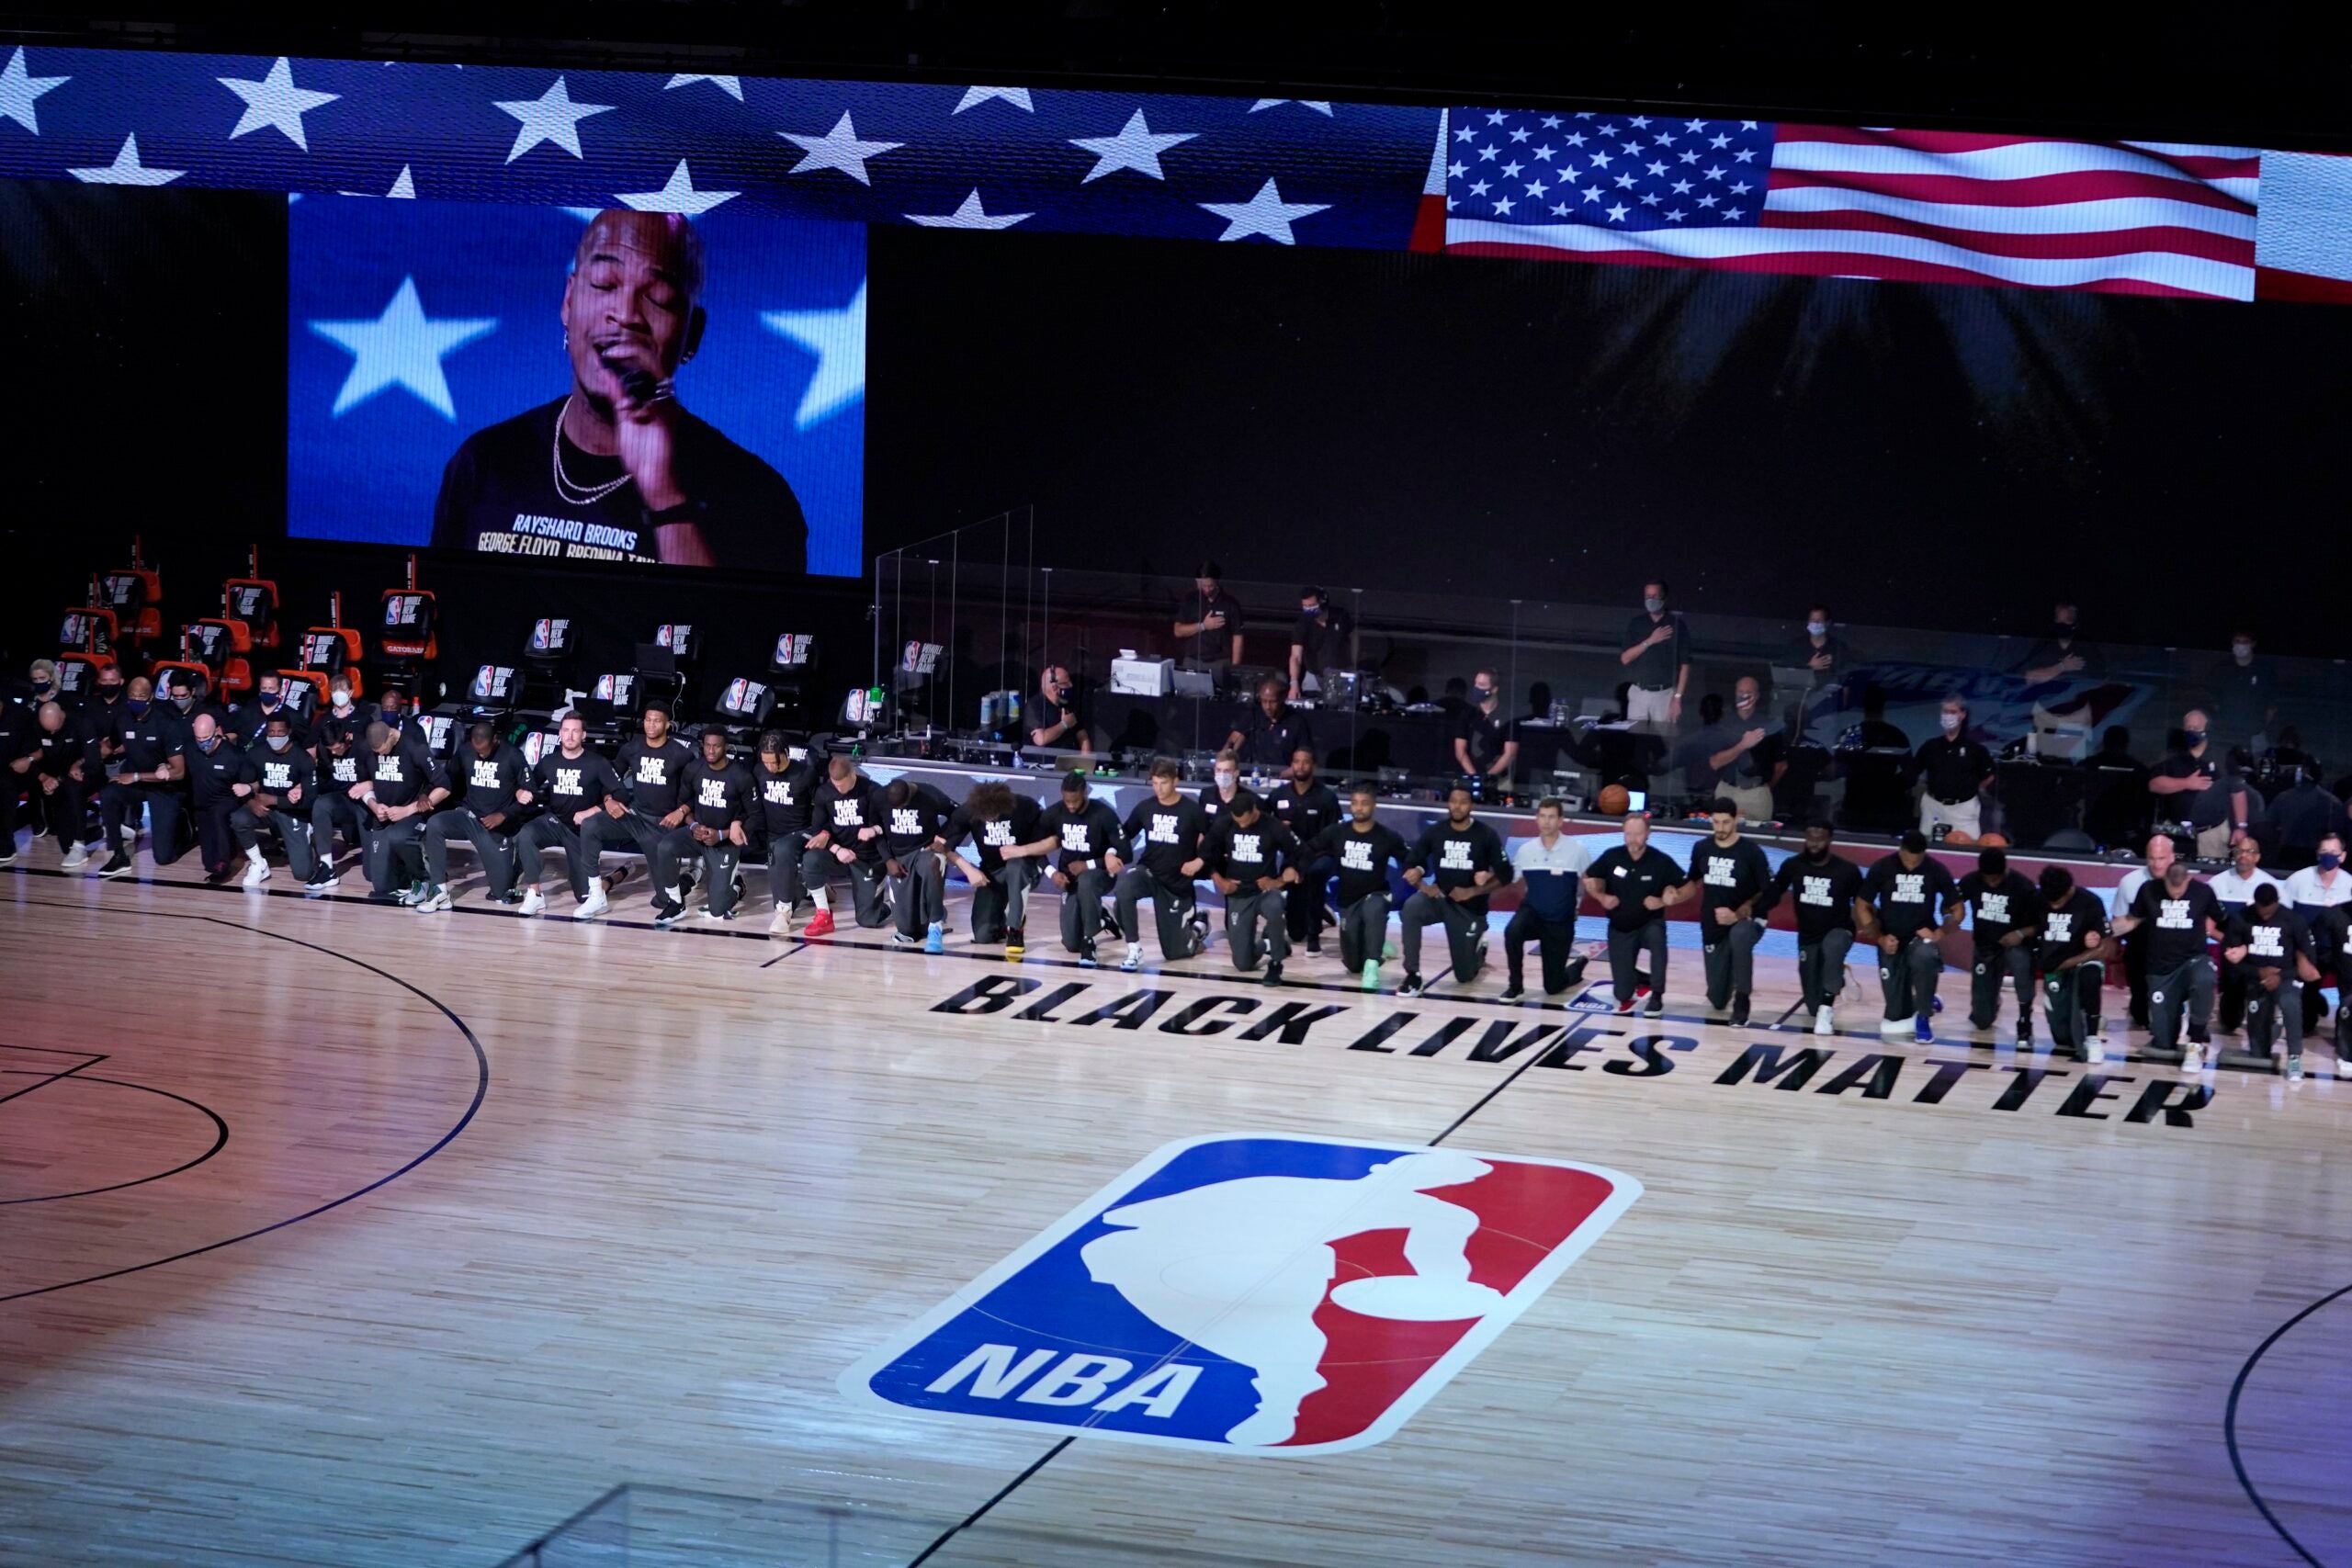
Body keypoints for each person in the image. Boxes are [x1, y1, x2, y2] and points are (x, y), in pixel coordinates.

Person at [431, 209, 807, 570]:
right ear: (569, 301)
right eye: (605, 284)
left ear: (692, 334)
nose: (626, 313)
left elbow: (729, 634)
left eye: (658, 297)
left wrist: (663, 493)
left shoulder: (758, 499)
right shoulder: (483, 464)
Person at [578, 701, 695, 918]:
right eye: (648, 720)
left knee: (664, 901)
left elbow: (697, 789)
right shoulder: (631, 748)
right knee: (591, 825)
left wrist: (680, 811)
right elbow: (609, 778)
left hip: (662, 824)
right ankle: (596, 895)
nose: (651, 725)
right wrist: (609, 800)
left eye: (657, 721)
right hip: (634, 816)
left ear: (668, 725)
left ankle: (691, 876)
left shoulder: (680, 754)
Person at [2111, 855, 2225, 1070]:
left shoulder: (2203, 892)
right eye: (2171, 891)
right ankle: (2174, 1014)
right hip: (2161, 968)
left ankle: (2195, 1042)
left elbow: (2222, 921)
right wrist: (2104, 933)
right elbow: (2130, 921)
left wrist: (2236, 943)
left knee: (2205, 978)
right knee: (2163, 1041)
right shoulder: (2148, 890)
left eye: (2180, 891)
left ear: (2188, 880)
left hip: (2193, 960)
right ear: (2164, 879)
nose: (2175, 896)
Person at [1396, 786, 1511, 997]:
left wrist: (1475, 890)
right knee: (1411, 908)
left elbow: (1507, 874)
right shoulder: (1436, 831)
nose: (1457, 806)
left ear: (1471, 806)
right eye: (1453, 801)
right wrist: (1423, 885)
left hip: (1469, 908)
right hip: (1440, 899)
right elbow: (1412, 861)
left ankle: (1478, 950)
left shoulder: (1485, 834)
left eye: (1463, 802)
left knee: (1464, 977)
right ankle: (1412, 974)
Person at [1766, 818, 1868, 1035]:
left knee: (1832, 946)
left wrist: (1870, 924)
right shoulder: (1793, 865)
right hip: (1808, 936)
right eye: (1810, 838)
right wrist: (1753, 909)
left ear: (1829, 840)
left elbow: (1863, 903)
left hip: (1840, 931)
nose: (1813, 844)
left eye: (1819, 839)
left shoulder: (1847, 870)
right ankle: (1840, 974)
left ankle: (1826, 1010)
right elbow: (1772, 894)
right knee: (1811, 1006)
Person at [1301, 785, 1409, 989]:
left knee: (1375, 909)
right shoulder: (1337, 832)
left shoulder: (1386, 836)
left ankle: (1373, 963)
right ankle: (1377, 943)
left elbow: (1410, 858)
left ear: (1374, 806)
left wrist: (1416, 870)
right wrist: (1295, 868)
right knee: (1352, 966)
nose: (1359, 808)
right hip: (1348, 900)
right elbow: (1310, 848)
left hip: (1376, 893)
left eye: (1364, 803)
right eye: (1355, 803)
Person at [1582, 811, 1689, 1016]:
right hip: (1620, 927)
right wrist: (1601, 897)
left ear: (1648, 833)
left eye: (1638, 834)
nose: (1633, 839)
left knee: (1658, 940)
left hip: (1649, 923)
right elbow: (1589, 877)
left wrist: (1666, 899)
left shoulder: (1660, 861)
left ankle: (1657, 994)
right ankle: (1636, 976)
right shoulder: (1612, 856)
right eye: (1628, 834)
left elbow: (1688, 887)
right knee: (1622, 994)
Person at [512, 715, 620, 916]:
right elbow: (530, 786)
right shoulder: (549, 761)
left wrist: (591, 812)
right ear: (560, 733)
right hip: (556, 821)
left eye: (575, 731)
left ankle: (614, 877)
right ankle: (534, 895)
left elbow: (621, 794)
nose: (570, 736)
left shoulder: (597, 763)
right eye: (566, 731)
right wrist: (520, 791)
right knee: (526, 834)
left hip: (582, 830)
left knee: (583, 896)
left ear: (584, 735)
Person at [416, 721, 528, 912]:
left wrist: (503, 815)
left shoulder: (513, 756)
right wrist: (425, 792)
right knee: (436, 823)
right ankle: (440, 891)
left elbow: (529, 796)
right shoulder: (465, 751)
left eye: (484, 750)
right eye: (477, 750)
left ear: (495, 740)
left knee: (501, 893)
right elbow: (447, 778)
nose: (481, 754)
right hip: (468, 816)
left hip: (495, 826)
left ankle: (514, 860)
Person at [1111, 757, 1212, 969]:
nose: (1159, 788)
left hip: (1176, 883)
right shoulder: (1145, 808)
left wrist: (1198, 860)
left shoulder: (1192, 810)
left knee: (1176, 954)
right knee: (1124, 889)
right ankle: (1134, 948)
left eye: (1163, 783)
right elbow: (1124, 833)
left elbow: (1214, 840)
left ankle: (1198, 927)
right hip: (1149, 872)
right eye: (1155, 783)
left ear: (1176, 781)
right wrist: (1111, 852)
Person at [1860, 830, 1960, 1042]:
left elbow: (1958, 909)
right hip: (1891, 939)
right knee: (1893, 1019)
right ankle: (1925, 999)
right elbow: (1862, 905)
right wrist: (1879, 938)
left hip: (1920, 938)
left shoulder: (1936, 869)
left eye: (1917, 861)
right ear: (1900, 850)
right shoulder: (1882, 867)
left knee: (1925, 955)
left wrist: (1941, 932)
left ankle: (1923, 1016)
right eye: (1908, 860)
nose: (1912, 865)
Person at [945, 781, 1055, 957]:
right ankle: (1007, 920)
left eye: (994, 815)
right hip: (993, 872)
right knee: (983, 936)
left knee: (1015, 864)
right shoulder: (968, 811)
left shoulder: (1026, 807)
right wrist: (968, 869)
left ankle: (1015, 929)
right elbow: (943, 845)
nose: (990, 818)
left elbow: (1051, 841)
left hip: (1025, 868)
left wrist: (1022, 850)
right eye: (985, 816)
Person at [1203, 789, 1302, 983]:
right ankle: (1269, 943)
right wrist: (1219, 880)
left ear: (1254, 810)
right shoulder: (1224, 823)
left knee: (1275, 908)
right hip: (1238, 892)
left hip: (1266, 890)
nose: (1241, 825)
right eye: (1237, 821)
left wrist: (1279, 881)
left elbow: (1300, 852)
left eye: (1245, 821)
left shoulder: (1273, 826)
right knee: (1242, 964)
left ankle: (1276, 964)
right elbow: (1204, 852)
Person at [92, 675, 187, 877]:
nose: (136, 700)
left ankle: (184, 828)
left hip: (164, 787)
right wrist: (90, 758)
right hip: (136, 783)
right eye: (132, 696)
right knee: (109, 793)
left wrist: (136, 776)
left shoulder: (166, 723)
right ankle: (117, 854)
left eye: (141, 696)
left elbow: (178, 772)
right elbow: (111, 744)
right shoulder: (122, 717)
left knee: (163, 858)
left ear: (151, 697)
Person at [2222, 884, 2321, 1078]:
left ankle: (2294, 1058)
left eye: (2269, 912)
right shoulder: (2241, 918)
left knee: (2290, 1003)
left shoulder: (2294, 920)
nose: (2265, 916)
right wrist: (2258, 972)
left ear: (2277, 903)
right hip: (2255, 979)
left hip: (2286, 977)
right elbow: (2230, 962)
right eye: (2261, 911)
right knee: (2259, 1052)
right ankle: (2271, 1030)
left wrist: (2280, 976)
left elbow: (2309, 962)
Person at [1691, 798, 1773, 1024]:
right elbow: (1692, 881)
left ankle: (1742, 999)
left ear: (1736, 820)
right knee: (1717, 1000)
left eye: (1726, 822)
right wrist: (1671, 893)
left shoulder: (1751, 852)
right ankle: (1725, 988)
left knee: (1739, 935)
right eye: (1716, 822)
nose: (1720, 828)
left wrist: (1739, 913)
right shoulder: (1702, 848)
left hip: (1747, 920)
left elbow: (1768, 892)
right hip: (1714, 923)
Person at [662, 728, 753, 924]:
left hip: (724, 841)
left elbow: (755, 815)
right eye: (707, 746)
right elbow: (685, 805)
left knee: (717, 911)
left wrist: (724, 833)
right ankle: (675, 901)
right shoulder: (693, 769)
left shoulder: (740, 776)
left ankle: (737, 886)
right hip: (697, 833)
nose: (711, 751)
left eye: (716, 746)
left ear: (725, 747)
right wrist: (693, 825)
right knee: (665, 847)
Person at [1503, 797, 1591, 1001]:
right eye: (1542, 816)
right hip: (1532, 914)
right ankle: (1515, 985)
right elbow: (1509, 877)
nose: (1546, 822)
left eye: (1551, 817)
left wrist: (1577, 905)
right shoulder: (1526, 850)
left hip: (1560, 921)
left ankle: (1578, 966)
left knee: (1553, 987)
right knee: (1512, 932)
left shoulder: (1577, 850)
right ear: (1536, 819)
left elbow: (1590, 882)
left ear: (1561, 821)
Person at [1950, 847, 2040, 1041]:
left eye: (1995, 879)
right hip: (1985, 947)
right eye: (1987, 879)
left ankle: (2025, 1018)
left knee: (2022, 964)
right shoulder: (1971, 881)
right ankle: (1991, 999)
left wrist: (2020, 933)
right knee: (1982, 1021)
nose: (1991, 883)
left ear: (2005, 870)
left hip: (2015, 945)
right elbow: (1949, 902)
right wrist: (1952, 915)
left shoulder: (2024, 886)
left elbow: (2043, 923)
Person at [354, 719, 447, 903]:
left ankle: (424, 879)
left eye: (382, 749)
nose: (380, 754)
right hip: (382, 816)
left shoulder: (415, 748)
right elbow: (363, 785)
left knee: (399, 836)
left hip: (412, 813)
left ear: (391, 735)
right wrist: (373, 805)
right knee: (381, 885)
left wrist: (408, 810)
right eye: (376, 752)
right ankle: (406, 871)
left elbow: (445, 786)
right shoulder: (366, 749)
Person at [801, 754, 893, 936]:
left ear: (853, 774)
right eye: (836, 786)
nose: (840, 790)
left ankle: (882, 904)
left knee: (867, 920)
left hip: (867, 857)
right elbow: (818, 830)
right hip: (839, 855)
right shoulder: (824, 793)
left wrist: (873, 830)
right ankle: (823, 914)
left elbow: (890, 823)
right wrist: (836, 849)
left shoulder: (872, 790)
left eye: (843, 784)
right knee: (810, 859)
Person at [1041, 771, 1124, 966]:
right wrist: (1052, 872)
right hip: (1070, 881)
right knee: (1070, 944)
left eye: (1075, 801)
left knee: (1087, 879)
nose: (1070, 806)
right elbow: (1035, 849)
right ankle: (1101, 915)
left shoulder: (1103, 813)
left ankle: (1090, 941)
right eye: (1067, 801)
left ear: (1085, 793)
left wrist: (1089, 864)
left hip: (1101, 875)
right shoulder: (1054, 813)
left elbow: (1125, 851)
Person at [232, 713, 319, 889]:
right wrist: (251, 802)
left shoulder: (302, 758)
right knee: (239, 818)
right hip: (265, 809)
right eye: (271, 732)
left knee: (303, 874)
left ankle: (307, 840)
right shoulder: (256, 754)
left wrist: (274, 799)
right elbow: (245, 786)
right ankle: (258, 863)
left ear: (289, 732)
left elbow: (310, 800)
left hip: (293, 811)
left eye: (280, 732)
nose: (275, 736)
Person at [2147, 708, 2248, 860]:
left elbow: (2238, 791)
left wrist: (2240, 827)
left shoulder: (2221, 757)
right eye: (2188, 728)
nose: (2191, 732)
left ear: (2206, 730)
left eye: (2196, 728)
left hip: (2211, 833)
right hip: (2177, 833)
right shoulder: (2172, 756)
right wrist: (2186, 783)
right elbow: (2154, 784)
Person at [2034, 865, 2111, 1063]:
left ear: (2070, 890)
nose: (2054, 907)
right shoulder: (2039, 899)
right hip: (2054, 970)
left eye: (2058, 902)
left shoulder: (2091, 902)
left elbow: (2106, 947)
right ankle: (2083, 1018)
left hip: (2081, 962)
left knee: (2091, 975)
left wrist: (2070, 962)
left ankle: (2093, 1037)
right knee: (2062, 1038)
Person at [1267, 749, 1340, 953]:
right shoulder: (1278, 795)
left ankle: (1314, 935)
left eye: (1305, 762)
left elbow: (1332, 837)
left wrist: (1301, 866)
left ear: (1313, 766)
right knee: (1296, 933)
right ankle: (1312, 914)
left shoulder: (1327, 797)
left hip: (1320, 858)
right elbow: (1265, 825)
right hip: (1292, 859)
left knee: (1314, 876)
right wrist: (1278, 827)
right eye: (1296, 762)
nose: (1300, 766)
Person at [2282, 833, 2352, 1046]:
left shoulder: (2350, 884)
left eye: (2333, 853)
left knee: (2347, 993)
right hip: (2308, 952)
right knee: (2304, 1023)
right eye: (2323, 852)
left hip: (2341, 953)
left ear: (2342, 856)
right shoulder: (2297, 880)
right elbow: (2284, 919)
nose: (2328, 857)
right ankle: (2313, 1003)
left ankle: (2344, 1032)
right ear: (2316, 854)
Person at [2211, 836, 2285, 1034]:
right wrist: (2230, 944)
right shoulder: (2216, 884)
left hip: (2262, 951)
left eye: (2248, 852)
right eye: (2239, 851)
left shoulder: (2271, 885)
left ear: (2257, 857)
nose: (2243, 856)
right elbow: (2207, 926)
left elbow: (2282, 925)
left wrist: (2251, 947)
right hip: (2231, 952)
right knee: (2229, 1021)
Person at [751, 732, 820, 934]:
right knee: (782, 887)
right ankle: (813, 886)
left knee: (784, 851)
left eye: (774, 762)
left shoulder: (805, 774)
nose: (770, 767)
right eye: (766, 762)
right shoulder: (759, 771)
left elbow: (820, 806)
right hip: (774, 836)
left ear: (785, 754)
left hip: (801, 832)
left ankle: (784, 913)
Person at [2109, 833, 2179, 1032]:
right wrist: (2115, 963)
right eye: (2152, 858)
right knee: (2141, 1016)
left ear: (2172, 857)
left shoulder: (2184, 882)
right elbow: (2118, 925)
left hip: (2174, 956)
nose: (2157, 865)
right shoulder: (2129, 882)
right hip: (2139, 955)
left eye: (2162, 858)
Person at [881, 774, 956, 952]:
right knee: (906, 931)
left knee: (933, 864)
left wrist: (943, 837)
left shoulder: (930, 794)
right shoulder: (879, 796)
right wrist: (888, 860)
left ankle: (935, 926)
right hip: (898, 856)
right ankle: (919, 921)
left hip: (926, 850)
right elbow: (875, 829)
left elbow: (957, 814)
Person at [181, 711, 257, 886]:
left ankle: (224, 867)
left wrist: (246, 789)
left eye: (206, 737)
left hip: (226, 801)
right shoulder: (191, 749)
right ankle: (224, 855)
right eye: (198, 738)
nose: (202, 742)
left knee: (218, 815)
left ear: (216, 732)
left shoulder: (233, 755)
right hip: (202, 803)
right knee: (209, 863)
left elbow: (250, 780)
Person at [1690, 677, 1781, 823]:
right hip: (1727, 790)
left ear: (1757, 695)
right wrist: (1743, 745)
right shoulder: (1722, 724)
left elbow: (1780, 765)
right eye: (1741, 692)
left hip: (1757, 793)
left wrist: (1765, 788)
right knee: (1722, 836)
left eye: (1749, 692)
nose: (1744, 696)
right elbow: (1714, 762)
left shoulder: (1769, 725)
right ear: (1735, 693)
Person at [1912, 696, 1995, 840]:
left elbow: (1989, 776)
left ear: (1962, 714)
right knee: (1927, 842)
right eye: (1945, 711)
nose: (1948, 716)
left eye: (1953, 711)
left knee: (1967, 845)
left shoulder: (1976, 749)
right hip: (1933, 806)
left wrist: (1969, 789)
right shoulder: (1930, 746)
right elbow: (1914, 770)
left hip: (1963, 809)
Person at [307, 714, 371, 893]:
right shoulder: (324, 749)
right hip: (344, 800)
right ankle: (326, 867)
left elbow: (384, 778)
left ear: (348, 737)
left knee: (372, 874)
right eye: (330, 749)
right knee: (321, 804)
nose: (333, 752)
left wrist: (369, 784)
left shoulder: (365, 747)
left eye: (337, 748)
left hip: (368, 802)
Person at [1618, 578, 1689, 727]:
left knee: (1663, 741)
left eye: (1654, 596)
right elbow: (1625, 658)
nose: (1650, 600)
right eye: (1647, 596)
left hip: (1664, 694)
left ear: (1664, 597)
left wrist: (1677, 698)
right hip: (1638, 692)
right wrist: (1650, 640)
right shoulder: (1637, 623)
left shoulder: (1676, 625)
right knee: (1636, 739)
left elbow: (1685, 665)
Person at [2079, 726, 2152, 851]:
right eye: (2114, 741)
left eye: (2119, 742)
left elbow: (2147, 803)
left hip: (2125, 828)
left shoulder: (2137, 770)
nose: (2116, 746)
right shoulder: (2090, 765)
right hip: (2096, 824)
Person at [2210, 628, 2281, 754]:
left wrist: (2261, 727)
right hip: (2226, 734)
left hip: (2255, 733)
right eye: (2238, 641)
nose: (2241, 645)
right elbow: (2214, 701)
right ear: (2232, 642)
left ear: (2253, 644)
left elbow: (2272, 705)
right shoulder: (2222, 669)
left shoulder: (2264, 670)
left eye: (2245, 641)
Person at [1227, 675, 1313, 776]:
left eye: (1272, 702)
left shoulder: (1297, 722)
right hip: (1254, 776)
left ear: (1283, 698)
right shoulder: (1254, 715)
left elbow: (1305, 759)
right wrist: (1227, 759)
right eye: (1264, 701)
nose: (1267, 707)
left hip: (1283, 779)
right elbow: (1232, 742)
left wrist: (1282, 775)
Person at [2265, 762, 2340, 871]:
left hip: (2310, 854)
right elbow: (2268, 826)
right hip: (2291, 852)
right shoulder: (2332, 802)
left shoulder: (2330, 803)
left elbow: (2268, 826)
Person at [1450, 671, 1520, 789]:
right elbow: (1460, 750)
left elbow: (1510, 754)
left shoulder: (1509, 716)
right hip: (1470, 775)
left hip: (1500, 779)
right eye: (1476, 684)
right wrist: (1474, 777)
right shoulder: (1468, 714)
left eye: (1481, 685)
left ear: (1494, 689)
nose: (1477, 688)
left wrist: (1488, 777)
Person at [1172, 562, 1243, 672]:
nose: (1207, 589)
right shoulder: (1190, 600)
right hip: (1192, 661)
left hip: (1220, 662)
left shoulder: (1230, 603)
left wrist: (1235, 668)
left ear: (1217, 582)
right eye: (1203, 586)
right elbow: (1178, 631)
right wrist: (1203, 626)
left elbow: (1237, 637)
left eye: (1210, 586)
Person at [1287, 586, 1352, 701]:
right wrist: (1294, 683)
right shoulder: (1302, 623)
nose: (1308, 609)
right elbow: (1296, 656)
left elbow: (1353, 637)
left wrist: (1353, 663)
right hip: (1314, 676)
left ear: (1323, 603)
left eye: (1311, 606)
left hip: (1342, 675)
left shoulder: (1341, 616)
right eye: (1305, 606)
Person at [2018, 603, 2104, 686]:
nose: (2063, 625)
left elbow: (2101, 677)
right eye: (2059, 621)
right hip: (2045, 695)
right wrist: (2062, 667)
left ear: (2076, 624)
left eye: (2068, 620)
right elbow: (2029, 676)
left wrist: (2046, 672)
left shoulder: (2084, 644)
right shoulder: (2046, 642)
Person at [228, 670, 310, 748]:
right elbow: (232, 731)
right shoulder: (247, 712)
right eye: (264, 688)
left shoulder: (293, 717)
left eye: (271, 689)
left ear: (281, 691)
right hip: (245, 757)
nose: (267, 692)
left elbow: (305, 744)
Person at [1023, 665, 1091, 757]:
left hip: (1069, 761)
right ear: (1054, 688)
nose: (1071, 685)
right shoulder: (1035, 705)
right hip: (1043, 765)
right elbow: (1040, 739)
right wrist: (1064, 725)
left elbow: (1083, 736)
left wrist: (1085, 760)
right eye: (1066, 683)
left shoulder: (1068, 704)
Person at [1791, 605, 1853, 682]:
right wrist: (1809, 667)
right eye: (1812, 620)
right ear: (1808, 622)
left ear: (1828, 623)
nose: (1815, 624)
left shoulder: (1839, 647)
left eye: (1819, 621)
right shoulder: (1796, 645)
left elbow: (1846, 677)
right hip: (1802, 691)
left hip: (1829, 692)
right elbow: (1787, 673)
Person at [1200, 750, 1246, 822]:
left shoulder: (1249, 799)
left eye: (1227, 771)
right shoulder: (1206, 795)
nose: (1222, 774)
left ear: (1236, 773)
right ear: (1214, 771)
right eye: (1218, 770)